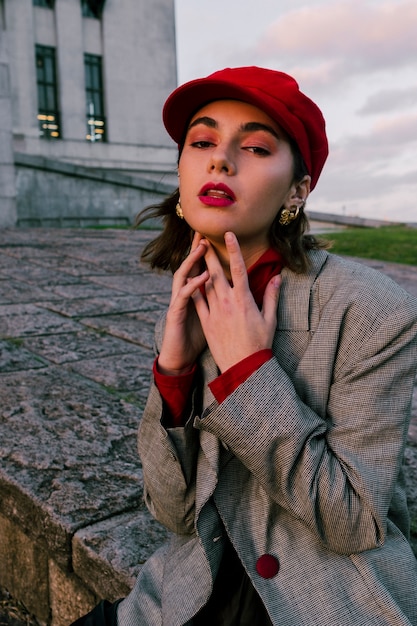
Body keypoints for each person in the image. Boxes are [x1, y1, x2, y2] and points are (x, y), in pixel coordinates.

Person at [74, 67, 417, 625]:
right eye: (202, 142)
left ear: (298, 190)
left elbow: (353, 521)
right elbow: (174, 513)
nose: (220, 160)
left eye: (255, 146)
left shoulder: (371, 310)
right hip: (184, 596)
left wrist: (249, 373)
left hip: (327, 599)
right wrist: (174, 373)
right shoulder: (193, 297)